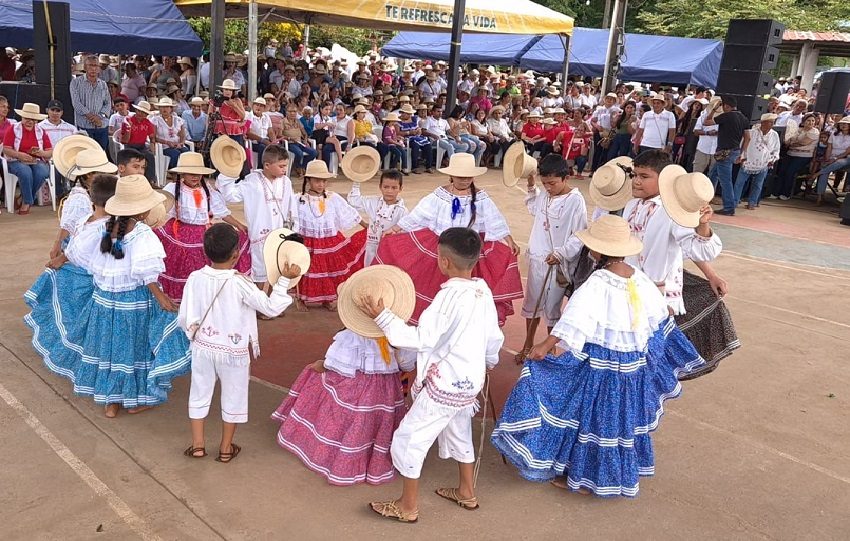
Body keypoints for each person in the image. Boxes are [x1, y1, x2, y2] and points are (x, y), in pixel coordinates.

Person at [491, 215, 705, 497]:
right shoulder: (638, 277)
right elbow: (661, 313)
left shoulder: (598, 281)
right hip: (632, 365)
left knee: (595, 416)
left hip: (602, 364)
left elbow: (577, 318)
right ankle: (616, 471)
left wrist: (544, 345)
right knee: (618, 417)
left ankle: (588, 478)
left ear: (596, 250)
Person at [363, 228, 504, 522]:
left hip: (445, 384)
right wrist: (489, 362)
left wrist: (384, 316)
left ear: (443, 261)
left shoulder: (448, 298)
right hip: (469, 382)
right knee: (459, 431)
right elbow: (494, 338)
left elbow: (421, 338)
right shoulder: (483, 291)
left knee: (409, 438)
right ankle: (467, 492)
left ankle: (408, 506)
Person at [272, 266, 417, 485]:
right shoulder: (400, 333)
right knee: (375, 421)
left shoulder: (350, 336)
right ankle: (374, 460)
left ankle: (334, 455)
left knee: (317, 380)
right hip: (386, 394)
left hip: (353, 389)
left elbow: (334, 366)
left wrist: (318, 365)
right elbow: (407, 363)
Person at [179, 223, 299, 462]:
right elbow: (270, 307)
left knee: (199, 393)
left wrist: (195, 335)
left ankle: (198, 445)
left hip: (203, 347)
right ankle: (225, 448)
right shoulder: (240, 282)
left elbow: (184, 317)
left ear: (206, 251)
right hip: (233, 351)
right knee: (234, 395)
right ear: (236, 253)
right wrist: (284, 281)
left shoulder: (195, 278)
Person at [76, 174, 191, 417]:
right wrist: (160, 297)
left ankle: (111, 400)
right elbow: (146, 273)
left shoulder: (105, 227)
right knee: (134, 347)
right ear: (142, 212)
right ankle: (135, 396)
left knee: (110, 347)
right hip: (133, 302)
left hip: (105, 300)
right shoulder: (143, 234)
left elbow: (80, 253)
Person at [377, 153, 522, 326]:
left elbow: (494, 219)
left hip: (467, 250)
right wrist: (395, 228)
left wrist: (509, 240)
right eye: (461, 177)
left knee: (464, 290)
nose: (465, 180)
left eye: (468, 177)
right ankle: (436, 324)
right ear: (451, 175)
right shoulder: (440, 195)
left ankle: (461, 324)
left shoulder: (481, 197)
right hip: (443, 247)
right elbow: (419, 215)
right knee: (436, 287)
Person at [24, 174, 117, 385]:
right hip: (84, 273)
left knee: (78, 316)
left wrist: (62, 257)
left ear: (91, 199)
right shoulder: (98, 223)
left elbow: (77, 248)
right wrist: (63, 257)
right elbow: (77, 248)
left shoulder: (101, 224)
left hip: (86, 274)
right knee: (75, 315)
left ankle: (78, 349)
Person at [516, 154, 588, 361]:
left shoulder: (576, 201)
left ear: (566, 178)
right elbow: (533, 208)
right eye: (545, 183)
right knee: (532, 303)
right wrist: (531, 186)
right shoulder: (545, 195)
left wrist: (560, 253)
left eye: (553, 183)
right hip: (538, 258)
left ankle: (550, 348)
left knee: (553, 307)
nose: (548, 187)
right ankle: (527, 343)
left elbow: (579, 234)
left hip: (558, 263)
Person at [156, 153, 251, 302]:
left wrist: (239, 225)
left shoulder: (207, 190)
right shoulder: (172, 188)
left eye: (198, 174)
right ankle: (186, 297)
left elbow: (222, 212)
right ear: (182, 173)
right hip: (180, 232)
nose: (195, 177)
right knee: (183, 264)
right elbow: (161, 210)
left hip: (204, 232)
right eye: (191, 174)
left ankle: (205, 296)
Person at [217, 145, 298, 288]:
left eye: (286, 166)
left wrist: (292, 230)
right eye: (281, 166)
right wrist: (229, 172)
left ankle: (272, 304)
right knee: (259, 271)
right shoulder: (252, 181)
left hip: (281, 233)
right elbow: (231, 195)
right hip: (260, 234)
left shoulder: (286, 181)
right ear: (267, 165)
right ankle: (257, 303)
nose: (284, 169)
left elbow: (292, 208)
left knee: (278, 269)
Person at [295, 160, 367, 311]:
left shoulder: (332, 197)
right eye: (316, 181)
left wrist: (367, 227)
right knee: (306, 270)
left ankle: (327, 298)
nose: (321, 184)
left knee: (328, 270)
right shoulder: (299, 200)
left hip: (329, 241)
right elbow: (291, 218)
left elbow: (348, 211)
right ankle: (301, 298)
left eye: (323, 181)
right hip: (308, 241)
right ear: (308, 180)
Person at [50, 147, 117, 259]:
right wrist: (58, 244)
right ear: (89, 174)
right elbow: (69, 225)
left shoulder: (89, 192)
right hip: (81, 248)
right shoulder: (79, 198)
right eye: (103, 172)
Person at [348, 169, 408, 266]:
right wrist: (356, 181)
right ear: (380, 187)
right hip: (371, 246)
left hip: (390, 250)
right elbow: (354, 201)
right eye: (386, 187)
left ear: (400, 188)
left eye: (394, 188)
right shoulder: (373, 202)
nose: (389, 191)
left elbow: (405, 232)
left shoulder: (402, 211)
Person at [2, 103, 53, 215]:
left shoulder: (41, 131)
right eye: (27, 119)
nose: (30, 121)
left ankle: (23, 198)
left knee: (43, 172)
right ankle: (28, 202)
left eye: (33, 119)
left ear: (36, 120)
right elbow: (6, 149)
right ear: (22, 118)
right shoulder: (13, 129)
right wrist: (19, 155)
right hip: (15, 160)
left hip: (36, 160)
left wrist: (41, 153)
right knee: (25, 172)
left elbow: (50, 152)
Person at [702, 96, 750, 216]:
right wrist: (741, 153)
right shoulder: (743, 118)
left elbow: (706, 122)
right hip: (734, 151)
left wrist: (713, 110)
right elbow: (747, 137)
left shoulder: (726, 116)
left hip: (724, 152)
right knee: (713, 175)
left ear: (726, 106)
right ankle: (705, 199)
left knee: (725, 181)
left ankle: (729, 207)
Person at [734, 113, 780, 211]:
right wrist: (742, 157)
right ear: (763, 123)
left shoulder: (774, 135)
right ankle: (734, 201)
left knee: (758, 185)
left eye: (773, 122)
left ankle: (752, 202)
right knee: (739, 183)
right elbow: (742, 145)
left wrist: (773, 159)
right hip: (748, 161)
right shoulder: (751, 132)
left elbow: (776, 150)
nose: (772, 124)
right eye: (770, 122)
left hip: (764, 163)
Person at [771, 113, 819, 200]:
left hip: (804, 156)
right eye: (808, 120)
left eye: (813, 121)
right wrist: (790, 143)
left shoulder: (814, 132)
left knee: (790, 171)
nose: (811, 122)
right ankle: (775, 192)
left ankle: (786, 193)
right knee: (781, 170)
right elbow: (788, 140)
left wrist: (792, 144)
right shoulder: (798, 130)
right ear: (804, 122)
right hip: (790, 154)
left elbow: (804, 142)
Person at [70, 55, 112, 151]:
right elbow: (76, 103)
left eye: (96, 66)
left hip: (101, 125)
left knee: (101, 154)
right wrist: (91, 116)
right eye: (90, 65)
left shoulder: (103, 84)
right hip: (84, 126)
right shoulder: (75, 83)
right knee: (86, 154)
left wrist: (100, 116)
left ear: (99, 68)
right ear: (85, 67)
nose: (93, 68)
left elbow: (108, 103)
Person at [808, 116, 850, 204]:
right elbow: (829, 148)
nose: (843, 125)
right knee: (825, 171)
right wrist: (828, 159)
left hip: (845, 158)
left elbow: (846, 152)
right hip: (832, 156)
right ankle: (820, 196)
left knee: (839, 162)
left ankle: (817, 174)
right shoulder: (834, 134)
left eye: (846, 124)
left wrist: (834, 159)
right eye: (842, 123)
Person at [119, 101, 158, 182]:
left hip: (142, 146)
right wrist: (129, 128)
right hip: (129, 145)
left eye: (144, 113)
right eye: (139, 111)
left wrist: (152, 147)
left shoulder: (147, 122)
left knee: (150, 156)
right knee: (136, 157)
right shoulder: (127, 120)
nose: (141, 114)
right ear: (136, 110)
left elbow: (151, 137)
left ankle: (150, 180)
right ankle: (133, 180)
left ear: (146, 115)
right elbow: (124, 141)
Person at [151, 97, 189, 169]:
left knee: (186, 153)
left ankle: (185, 174)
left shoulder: (178, 120)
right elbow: (153, 137)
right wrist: (167, 142)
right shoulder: (155, 120)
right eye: (162, 107)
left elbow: (183, 135)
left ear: (171, 108)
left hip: (177, 145)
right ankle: (174, 174)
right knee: (176, 154)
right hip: (164, 146)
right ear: (159, 108)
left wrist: (181, 143)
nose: (164, 109)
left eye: (167, 107)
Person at [280, 103, 317, 177]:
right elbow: (279, 135)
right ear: (286, 112)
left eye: (294, 111)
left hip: (300, 143)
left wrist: (306, 140)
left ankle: (302, 166)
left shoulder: (298, 121)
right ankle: (297, 166)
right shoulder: (283, 121)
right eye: (290, 111)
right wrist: (289, 138)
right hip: (290, 143)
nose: (292, 113)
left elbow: (305, 133)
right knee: (299, 153)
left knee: (314, 152)